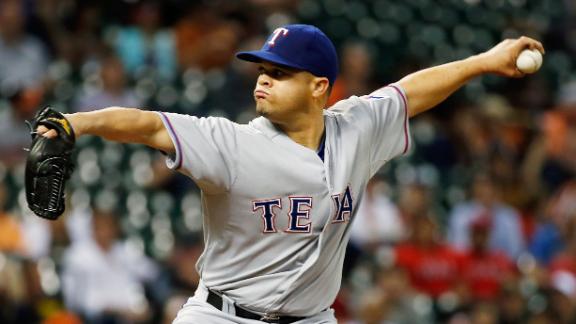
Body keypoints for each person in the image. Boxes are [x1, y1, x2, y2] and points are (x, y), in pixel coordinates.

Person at [38, 24, 544, 323]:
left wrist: (484, 61)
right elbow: (148, 125)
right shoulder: (232, 144)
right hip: (221, 315)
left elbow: (413, 91)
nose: (263, 80)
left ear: (320, 87)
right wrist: (74, 123)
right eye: (262, 70)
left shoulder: (357, 128)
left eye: (279, 74)